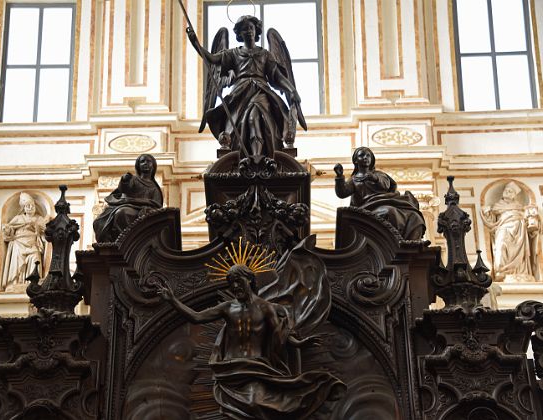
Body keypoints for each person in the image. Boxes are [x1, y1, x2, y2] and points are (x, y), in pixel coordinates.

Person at [157, 262, 344, 419]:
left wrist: (299, 343)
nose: (235, 287)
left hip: (257, 368)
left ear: (250, 280)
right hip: (230, 371)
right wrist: (173, 300)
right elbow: (197, 317)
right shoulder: (227, 307)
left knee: (255, 403)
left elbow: (279, 335)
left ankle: (319, 387)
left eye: (239, 281)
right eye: (231, 284)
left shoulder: (266, 308)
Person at [187, 15, 305, 162]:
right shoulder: (233, 53)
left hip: (261, 91)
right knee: (241, 122)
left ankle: (257, 157)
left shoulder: (265, 54)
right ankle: (250, 157)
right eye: (244, 29)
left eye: (251, 27)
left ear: (256, 30)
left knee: (257, 116)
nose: (248, 31)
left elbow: (277, 77)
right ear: (239, 34)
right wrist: (195, 43)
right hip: (239, 94)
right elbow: (212, 59)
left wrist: (292, 90)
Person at [334, 147, 425, 240]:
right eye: (361, 155)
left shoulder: (378, 174)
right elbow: (342, 193)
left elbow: (385, 186)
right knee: (389, 211)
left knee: (414, 216)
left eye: (368, 155)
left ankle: (412, 244)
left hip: (384, 201)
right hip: (367, 208)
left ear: (371, 159)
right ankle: (394, 241)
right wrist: (339, 177)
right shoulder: (354, 179)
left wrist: (374, 178)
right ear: (356, 161)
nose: (365, 157)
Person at [93, 154, 163, 242]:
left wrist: (147, 208)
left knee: (122, 212)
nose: (145, 163)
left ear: (153, 166)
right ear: (138, 166)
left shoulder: (155, 187)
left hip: (143, 211)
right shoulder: (133, 180)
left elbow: (156, 205)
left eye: (148, 161)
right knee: (103, 219)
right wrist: (124, 180)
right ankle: (122, 240)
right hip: (129, 206)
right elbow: (124, 189)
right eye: (142, 161)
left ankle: (129, 240)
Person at [481, 181, 540, 282]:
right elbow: (491, 222)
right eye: (506, 190)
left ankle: (519, 272)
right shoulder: (497, 206)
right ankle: (501, 270)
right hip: (502, 228)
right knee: (501, 245)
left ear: (514, 195)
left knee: (519, 252)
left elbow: (528, 219)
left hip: (519, 230)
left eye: (510, 191)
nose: (507, 192)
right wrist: (487, 213)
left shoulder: (519, 206)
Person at [1, 193, 47, 290]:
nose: (30, 207)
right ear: (23, 208)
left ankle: (33, 283)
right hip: (19, 243)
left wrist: (37, 229)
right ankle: (16, 282)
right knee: (18, 262)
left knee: (35, 258)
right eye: (27, 206)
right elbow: (9, 232)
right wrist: (8, 229)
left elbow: (46, 233)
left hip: (33, 243)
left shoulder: (39, 219)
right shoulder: (18, 218)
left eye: (32, 205)